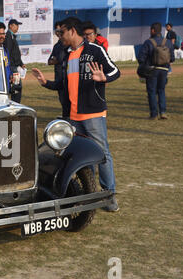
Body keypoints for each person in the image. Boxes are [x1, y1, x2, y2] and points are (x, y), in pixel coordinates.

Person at [31, 17, 120, 212]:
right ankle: (87, 193)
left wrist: (104, 77)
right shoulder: (67, 55)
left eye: (61, 32)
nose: (59, 36)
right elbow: (64, 85)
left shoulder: (95, 50)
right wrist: (46, 82)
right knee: (80, 156)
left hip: (93, 114)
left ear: (72, 31)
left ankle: (109, 194)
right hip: (71, 116)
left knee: (102, 154)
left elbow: (115, 71)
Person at [138, 22, 175, 120]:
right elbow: (172, 58)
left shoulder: (148, 42)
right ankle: (163, 112)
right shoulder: (168, 42)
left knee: (152, 92)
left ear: (152, 30)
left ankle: (154, 114)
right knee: (161, 90)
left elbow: (141, 57)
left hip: (152, 70)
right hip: (164, 70)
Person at [4, 19, 26, 103]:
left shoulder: (12, 36)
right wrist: (9, 67)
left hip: (14, 66)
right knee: (16, 88)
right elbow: (8, 52)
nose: (18, 27)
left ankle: (15, 104)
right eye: (16, 25)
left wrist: (20, 63)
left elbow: (14, 53)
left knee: (16, 88)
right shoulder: (9, 36)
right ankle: (15, 105)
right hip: (12, 67)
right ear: (11, 26)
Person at [48, 21, 67, 117]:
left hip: (67, 76)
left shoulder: (68, 45)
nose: (58, 32)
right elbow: (49, 61)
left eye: (60, 30)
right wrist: (56, 60)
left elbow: (61, 59)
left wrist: (58, 60)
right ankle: (66, 117)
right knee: (62, 99)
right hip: (59, 77)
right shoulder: (57, 45)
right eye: (57, 30)